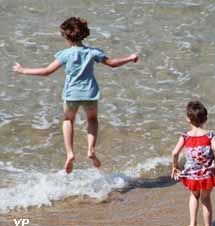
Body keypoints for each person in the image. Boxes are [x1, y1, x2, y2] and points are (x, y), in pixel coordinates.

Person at [13, 17, 138, 174]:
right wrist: (130, 58)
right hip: (90, 94)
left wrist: (23, 70)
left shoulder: (65, 54)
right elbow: (112, 63)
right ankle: (91, 150)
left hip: (71, 95)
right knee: (92, 120)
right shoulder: (93, 52)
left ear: (66, 36)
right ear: (84, 34)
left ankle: (70, 153)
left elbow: (46, 72)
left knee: (68, 120)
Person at [171, 101, 215, 226]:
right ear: (205, 119)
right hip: (207, 174)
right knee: (206, 199)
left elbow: (174, 153)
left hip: (192, 175)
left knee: (194, 196)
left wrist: (175, 166)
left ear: (188, 119)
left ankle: (192, 224)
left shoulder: (184, 136)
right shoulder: (210, 135)